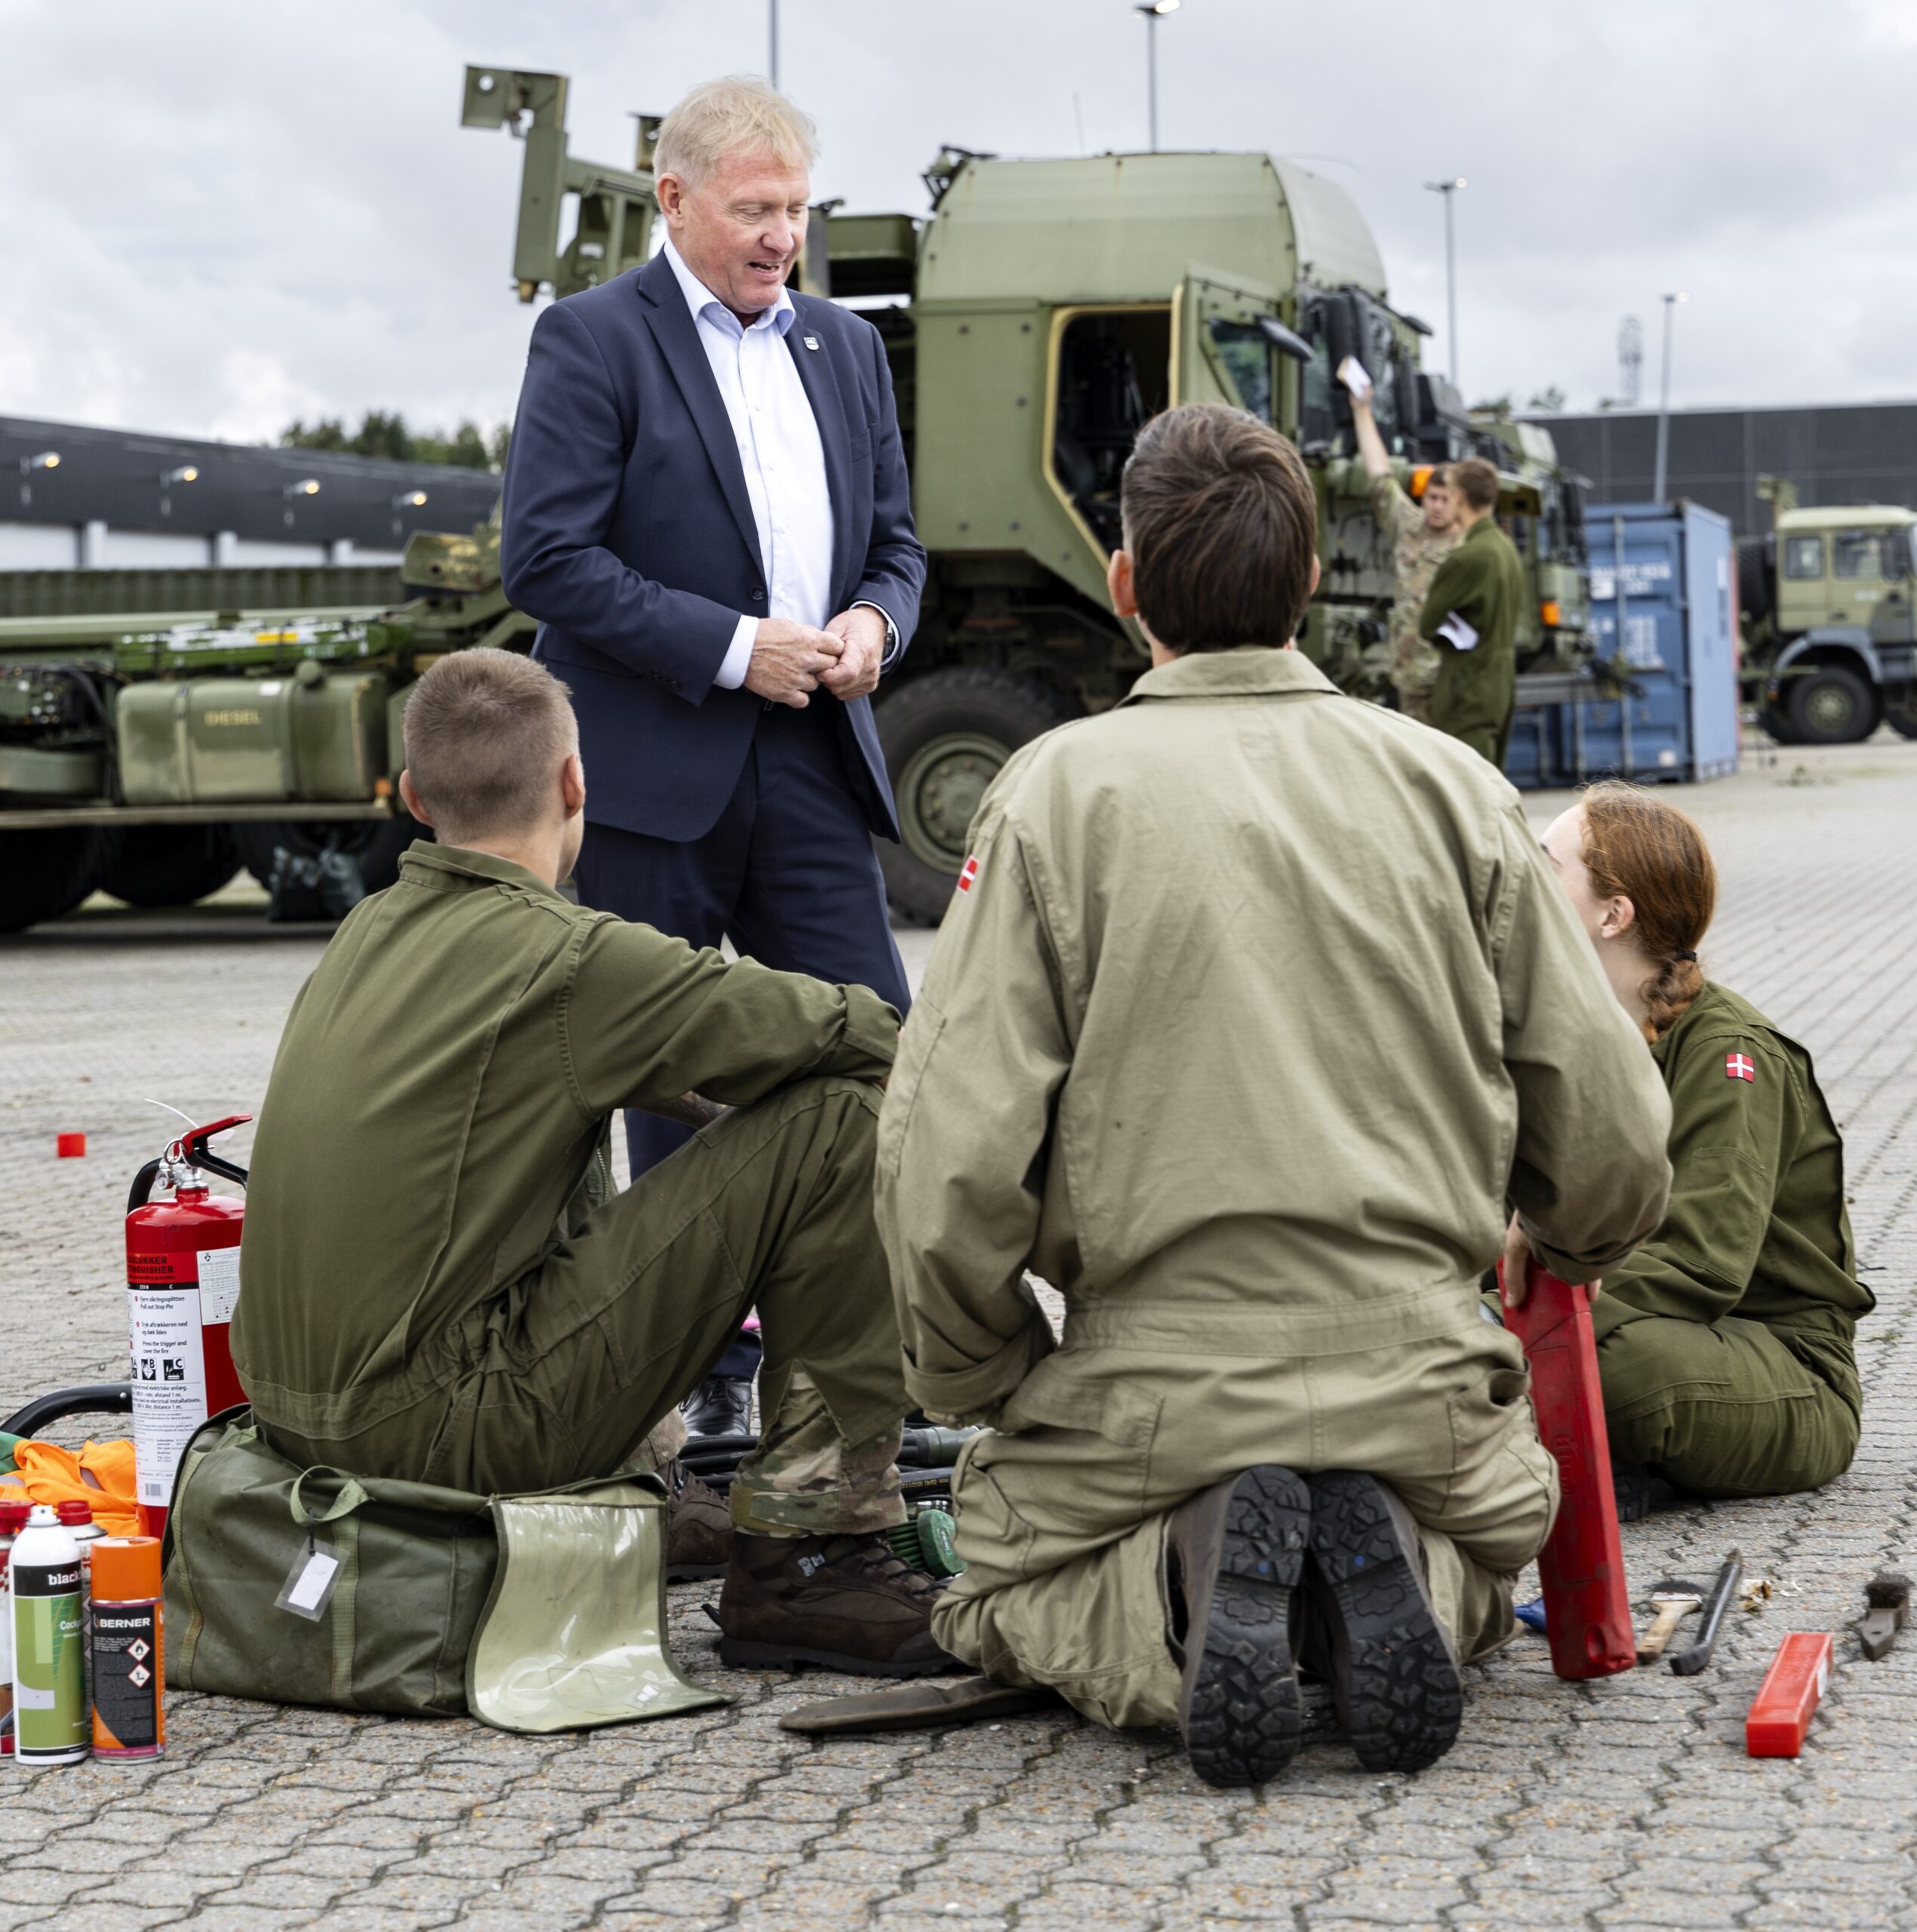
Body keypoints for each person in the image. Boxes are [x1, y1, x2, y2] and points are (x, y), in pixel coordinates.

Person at [872, 404, 1672, 1786]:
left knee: (985, 1581)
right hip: (1421, 1375)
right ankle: (1399, 1570)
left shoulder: (1050, 797)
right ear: (1310, 583)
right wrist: (1565, 1249)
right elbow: (1611, 1139)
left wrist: (989, 1376)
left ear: (1124, 589)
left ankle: (1180, 1597)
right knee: (1493, 1546)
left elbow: (944, 1163)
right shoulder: (1454, 790)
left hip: (1148, 1384)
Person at [232, 650, 951, 1678]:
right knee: (841, 1123)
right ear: (576, 784)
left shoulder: (367, 930)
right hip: (436, 1432)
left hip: (295, 1422)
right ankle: (812, 1553)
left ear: (413, 798)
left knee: (564, 1131)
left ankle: (649, 1483)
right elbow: (856, 1031)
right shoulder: (568, 960)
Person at [500, 75, 927, 1438]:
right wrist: (739, 646)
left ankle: (866, 1372)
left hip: (812, 761)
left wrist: (874, 621)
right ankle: (706, 1384)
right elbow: (549, 559)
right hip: (651, 774)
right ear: (673, 200)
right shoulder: (591, 339)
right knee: (674, 1081)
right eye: (754, 209)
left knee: (873, 1054)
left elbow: (900, 550)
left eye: (798, 209)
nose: (781, 235)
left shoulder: (848, 352)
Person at [1539, 781, 1870, 1509]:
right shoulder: (1580, 1033)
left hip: (1784, 1367)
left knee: (1603, 1364)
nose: (1526, 880)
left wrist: (1529, 1311)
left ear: (1612, 914)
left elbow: (1701, 1262)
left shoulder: (1729, 1055)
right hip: (1671, 1328)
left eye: (1546, 863)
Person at [1349, 386, 1458, 721]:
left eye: (1445, 499)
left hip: (1446, 679)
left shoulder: (1466, 546)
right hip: (1408, 676)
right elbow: (1379, 473)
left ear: (1458, 503)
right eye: (1432, 497)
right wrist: (1361, 410)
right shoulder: (1409, 527)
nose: (1437, 506)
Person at [1417, 456, 1524, 768]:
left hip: (1467, 688)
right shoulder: (1506, 550)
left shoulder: (1467, 558)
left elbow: (1427, 625)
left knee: (1466, 783)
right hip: (1500, 683)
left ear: (1460, 498)